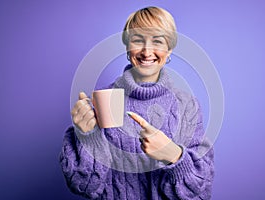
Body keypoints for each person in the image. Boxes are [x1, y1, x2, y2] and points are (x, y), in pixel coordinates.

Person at [60, 6, 214, 200]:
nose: (147, 51)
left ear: (169, 49)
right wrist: (88, 136)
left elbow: (201, 190)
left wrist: (174, 155)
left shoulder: (187, 105)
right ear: (127, 46)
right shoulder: (103, 101)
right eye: (138, 40)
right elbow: (84, 186)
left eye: (157, 41)